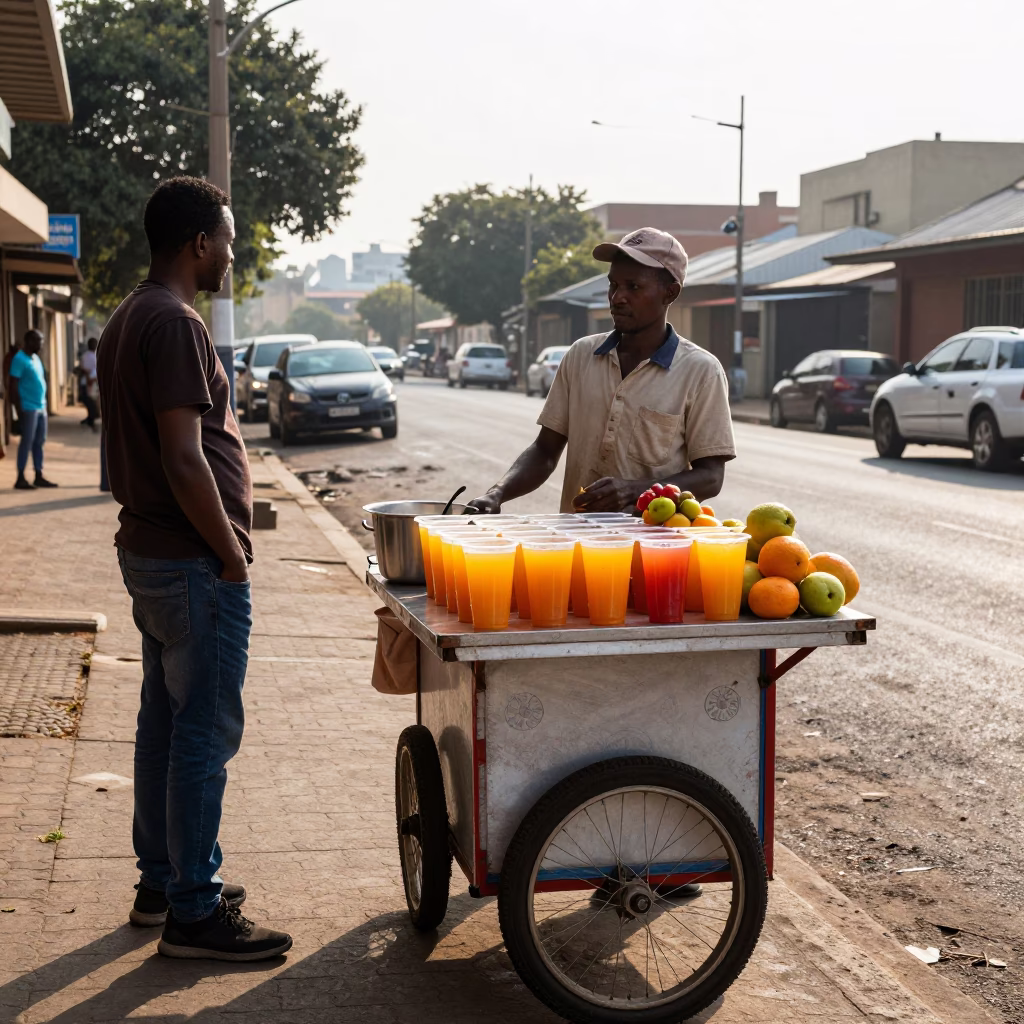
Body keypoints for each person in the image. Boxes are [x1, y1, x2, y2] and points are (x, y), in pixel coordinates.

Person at [96, 176, 291, 962]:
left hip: (152, 558)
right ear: (197, 244)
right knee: (203, 733)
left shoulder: (127, 316)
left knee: (165, 726)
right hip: (189, 564)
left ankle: (164, 882)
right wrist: (231, 554)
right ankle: (194, 911)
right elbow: (183, 458)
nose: (234, 254)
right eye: (229, 239)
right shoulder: (174, 324)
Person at [469, 227, 736, 515]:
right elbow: (545, 451)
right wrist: (497, 493)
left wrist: (637, 490)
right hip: (578, 542)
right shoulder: (581, 356)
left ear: (669, 293)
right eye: (613, 285)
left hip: (654, 547)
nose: (617, 297)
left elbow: (710, 477)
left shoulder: (701, 371)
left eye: (633, 287)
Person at [8, 329, 58, 490]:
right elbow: (13, 386)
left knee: (40, 442)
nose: (41, 344)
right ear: (29, 341)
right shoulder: (19, 359)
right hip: (27, 408)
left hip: (41, 406)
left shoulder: (35, 358)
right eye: (38, 341)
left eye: (41, 341)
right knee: (26, 442)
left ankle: (38, 474)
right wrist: (18, 410)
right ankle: (20, 477)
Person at [78, 337, 100, 431]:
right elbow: (83, 369)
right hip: (88, 382)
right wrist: (88, 379)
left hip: (93, 382)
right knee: (89, 401)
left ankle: (91, 419)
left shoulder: (96, 355)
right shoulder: (86, 356)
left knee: (92, 402)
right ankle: (91, 419)